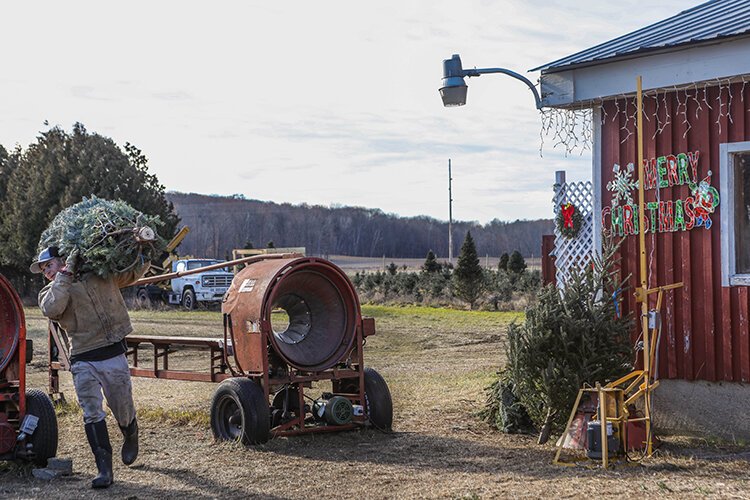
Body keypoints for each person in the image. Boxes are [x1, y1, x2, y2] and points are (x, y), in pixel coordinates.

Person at [32, 246, 149, 489]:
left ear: (62, 259)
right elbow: (52, 309)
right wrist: (64, 274)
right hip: (83, 357)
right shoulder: (50, 291)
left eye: (49, 266)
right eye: (43, 270)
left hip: (112, 349)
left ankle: (130, 431)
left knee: (122, 405)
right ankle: (104, 469)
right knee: (91, 412)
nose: (47, 273)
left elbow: (129, 274)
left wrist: (143, 252)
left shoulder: (98, 272)